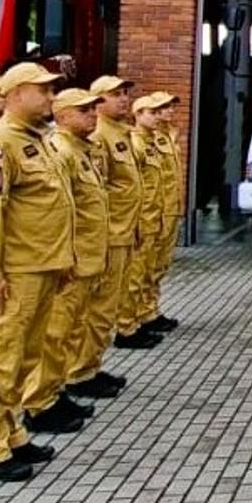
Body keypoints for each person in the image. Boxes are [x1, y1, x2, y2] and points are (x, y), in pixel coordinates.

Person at [0, 62, 71, 482]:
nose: (50, 97)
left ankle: (10, 433)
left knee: (23, 358)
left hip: (40, 267)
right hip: (12, 272)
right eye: (42, 91)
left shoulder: (35, 141)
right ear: (18, 93)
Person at [20, 88, 109, 435]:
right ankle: (39, 403)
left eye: (92, 109)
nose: (92, 115)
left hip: (86, 256)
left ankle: (56, 390)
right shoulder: (61, 151)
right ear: (63, 115)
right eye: (84, 110)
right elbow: (59, 212)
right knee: (54, 334)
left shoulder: (81, 150)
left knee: (71, 328)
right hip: (67, 258)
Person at [89, 75, 161, 352]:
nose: (123, 99)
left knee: (124, 287)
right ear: (98, 102)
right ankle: (85, 369)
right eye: (114, 94)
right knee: (103, 302)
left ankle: (92, 364)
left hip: (132, 226)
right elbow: (99, 191)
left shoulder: (121, 135)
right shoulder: (98, 138)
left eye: (124, 93)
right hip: (112, 232)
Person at [119, 93, 170, 346]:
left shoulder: (155, 140)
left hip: (157, 215)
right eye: (154, 111)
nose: (162, 114)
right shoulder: (135, 143)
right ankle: (129, 323)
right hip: (142, 219)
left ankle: (146, 313)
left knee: (152, 269)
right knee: (136, 274)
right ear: (138, 114)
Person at [135, 92, 184, 335]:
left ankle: (151, 310)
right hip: (152, 213)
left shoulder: (166, 137)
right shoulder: (144, 140)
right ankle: (140, 315)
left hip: (168, 211)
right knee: (144, 267)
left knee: (159, 266)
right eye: (159, 109)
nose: (168, 113)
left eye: (168, 108)